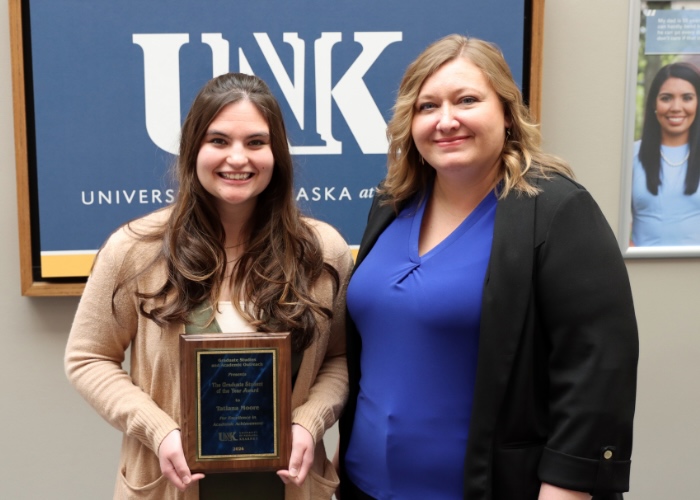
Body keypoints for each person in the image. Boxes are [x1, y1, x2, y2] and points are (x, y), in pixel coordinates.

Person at [337, 35, 639, 500]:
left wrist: (567, 489)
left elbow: (598, 368)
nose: (446, 120)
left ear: (506, 111)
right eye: (427, 106)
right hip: (365, 486)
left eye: (467, 100)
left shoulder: (556, 211)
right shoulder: (391, 204)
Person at [65, 72, 352, 500]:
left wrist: (310, 421)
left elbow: (339, 358)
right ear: (192, 148)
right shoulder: (135, 250)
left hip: (289, 487)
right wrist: (159, 431)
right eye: (218, 141)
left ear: (278, 154)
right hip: (170, 484)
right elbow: (88, 358)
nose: (238, 158)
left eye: (256, 142)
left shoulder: (322, 252)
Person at [632, 62, 700, 246]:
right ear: (654, 102)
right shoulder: (631, 155)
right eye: (666, 98)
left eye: (687, 98)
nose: (676, 107)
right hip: (643, 271)